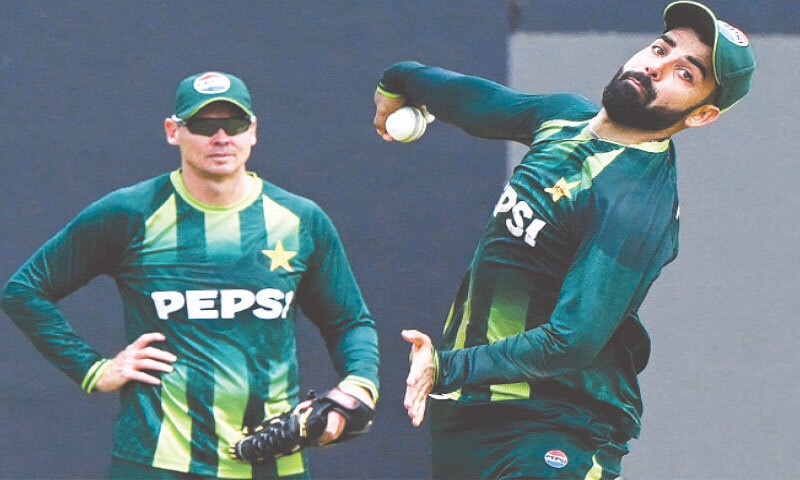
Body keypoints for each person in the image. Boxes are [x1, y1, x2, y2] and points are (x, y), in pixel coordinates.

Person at [373, 2, 754, 478]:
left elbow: (570, 341)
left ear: (701, 115)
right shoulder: (563, 119)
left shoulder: (634, 204)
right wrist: (399, 79)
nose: (654, 67)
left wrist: (447, 367)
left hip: (560, 423)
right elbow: (476, 103)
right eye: (661, 48)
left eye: (683, 74)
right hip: (469, 413)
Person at [2, 71, 379, 479]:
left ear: (253, 131)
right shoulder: (130, 213)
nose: (221, 137)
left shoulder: (300, 220)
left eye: (234, 124)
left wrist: (358, 386)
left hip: (274, 461)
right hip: (157, 462)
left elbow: (349, 321)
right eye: (202, 125)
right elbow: (24, 292)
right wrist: (94, 369)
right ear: (172, 132)